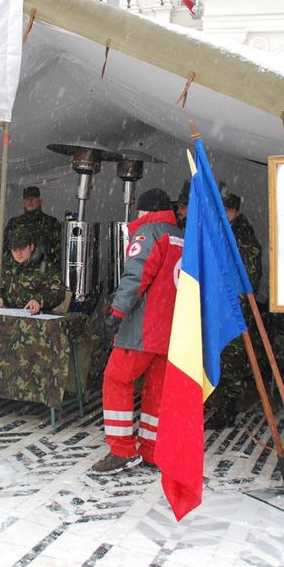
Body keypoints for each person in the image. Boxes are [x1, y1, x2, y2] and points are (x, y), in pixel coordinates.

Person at [91, 188, 183, 474]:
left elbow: (136, 275)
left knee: (116, 379)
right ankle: (151, 449)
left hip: (143, 328)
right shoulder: (182, 237)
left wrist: (116, 312)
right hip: (171, 331)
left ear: (146, 211)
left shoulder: (148, 233)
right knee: (157, 390)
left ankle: (122, 450)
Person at [207, 191, 264, 427]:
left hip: (235, 307)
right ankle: (222, 406)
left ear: (236, 212)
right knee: (225, 356)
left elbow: (247, 276)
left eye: (228, 210)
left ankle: (227, 410)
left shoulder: (241, 237)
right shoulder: (231, 232)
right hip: (227, 305)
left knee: (232, 358)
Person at [0, 230, 65, 314]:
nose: (18, 253)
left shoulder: (45, 267)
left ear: (31, 247)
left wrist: (38, 301)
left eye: (22, 248)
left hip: (34, 318)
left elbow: (58, 292)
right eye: (14, 249)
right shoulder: (6, 266)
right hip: (7, 316)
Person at [4, 186, 61, 265]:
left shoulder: (51, 222)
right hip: (18, 268)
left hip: (44, 268)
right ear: (24, 202)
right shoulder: (15, 222)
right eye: (27, 199)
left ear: (40, 201)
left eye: (33, 198)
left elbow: (58, 248)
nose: (30, 202)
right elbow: (6, 245)